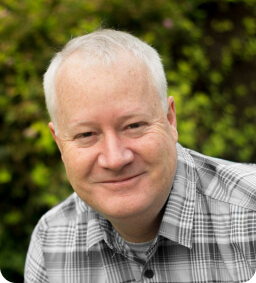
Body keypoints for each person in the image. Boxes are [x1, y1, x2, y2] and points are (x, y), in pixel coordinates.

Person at [24, 29, 256, 283]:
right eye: (87, 134)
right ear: (59, 143)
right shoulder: (50, 241)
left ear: (170, 119)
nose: (115, 159)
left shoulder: (250, 216)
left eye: (133, 126)